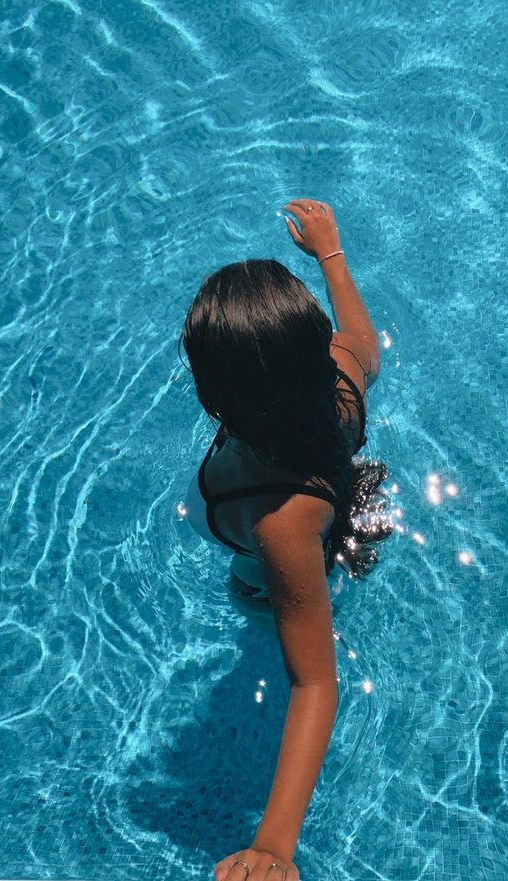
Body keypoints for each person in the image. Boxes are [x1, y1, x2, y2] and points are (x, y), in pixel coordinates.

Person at [179, 198, 394, 881]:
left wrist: (272, 845)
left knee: (255, 609)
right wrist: (330, 251)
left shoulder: (279, 523)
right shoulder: (343, 382)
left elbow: (313, 681)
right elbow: (364, 336)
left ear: (215, 404)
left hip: (273, 569)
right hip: (334, 493)